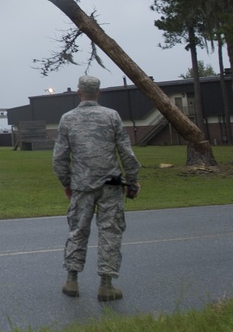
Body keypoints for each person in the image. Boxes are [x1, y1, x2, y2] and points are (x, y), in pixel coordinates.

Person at [52, 75, 141, 302]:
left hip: (82, 186)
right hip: (110, 185)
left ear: (79, 92)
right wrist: (132, 180)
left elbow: (59, 158)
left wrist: (67, 183)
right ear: (99, 93)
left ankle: (72, 280)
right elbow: (126, 152)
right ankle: (106, 285)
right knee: (110, 231)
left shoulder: (67, 119)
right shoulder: (112, 116)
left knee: (78, 231)